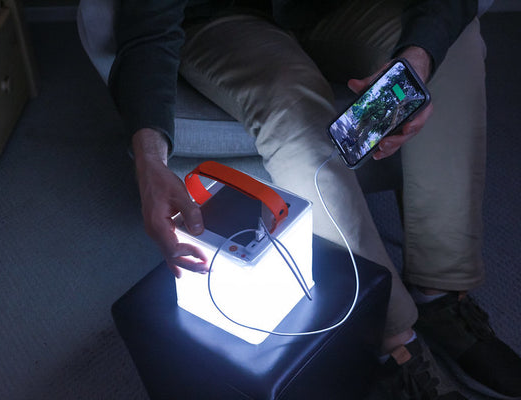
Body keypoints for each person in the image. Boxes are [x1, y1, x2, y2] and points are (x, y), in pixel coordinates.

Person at [102, 0, 521, 398]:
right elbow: (147, 26)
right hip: (223, 14)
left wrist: (420, 55)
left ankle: (439, 290)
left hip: (333, 8)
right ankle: (389, 337)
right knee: (291, 101)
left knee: (451, 45)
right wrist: (149, 159)